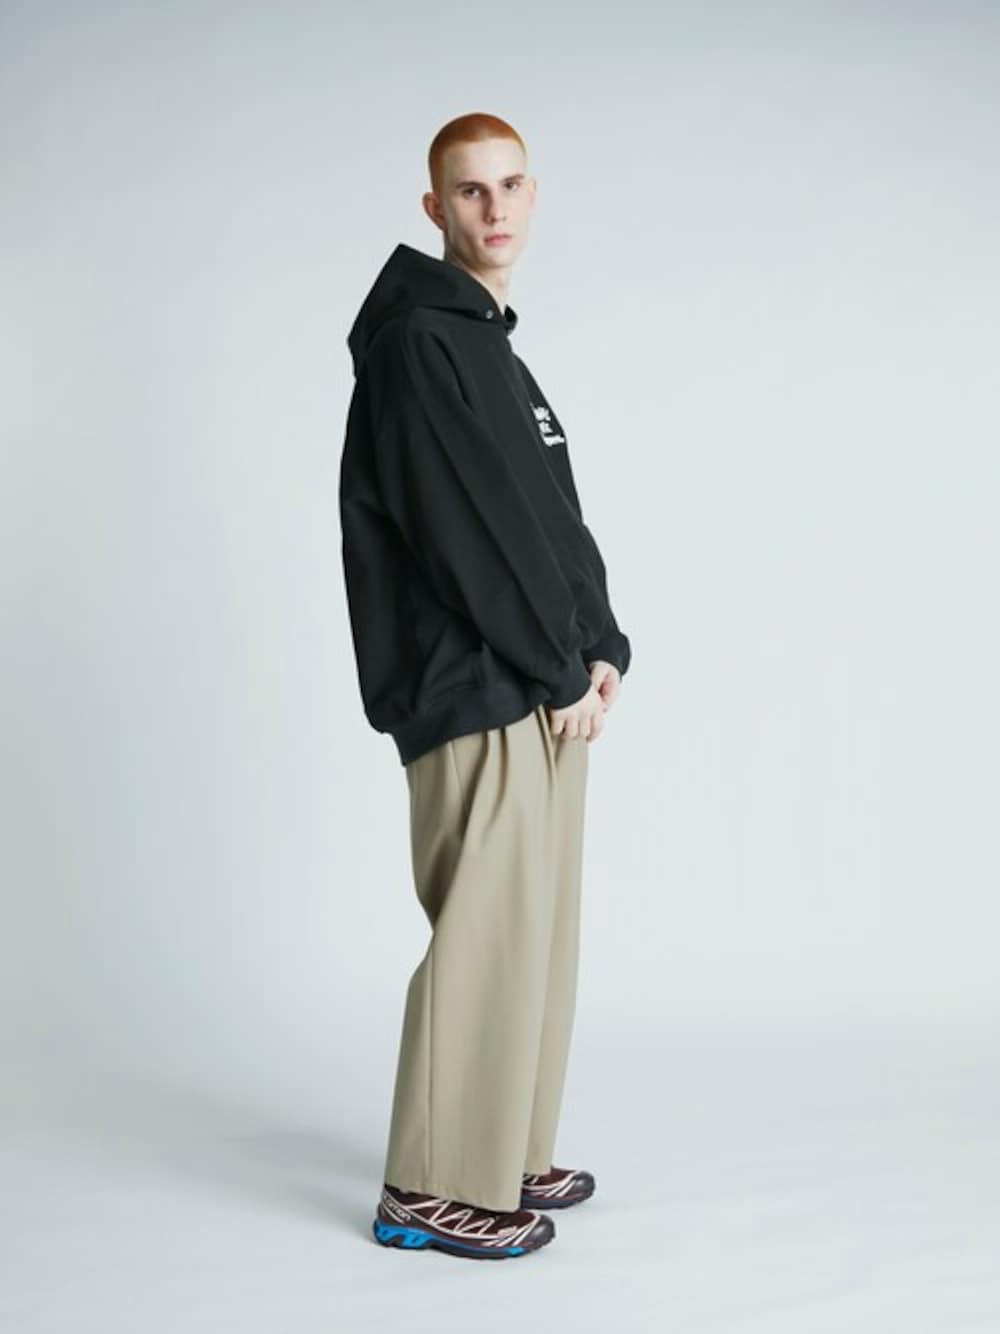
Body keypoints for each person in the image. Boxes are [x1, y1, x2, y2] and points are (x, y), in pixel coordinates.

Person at [339, 112, 632, 1260]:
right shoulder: (421, 344)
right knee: (483, 936)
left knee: (535, 934)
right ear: (435, 208)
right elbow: (467, 536)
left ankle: (504, 1150)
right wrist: (557, 667)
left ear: (533, 194)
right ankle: (427, 1183)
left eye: (510, 185)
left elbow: (551, 517)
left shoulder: (491, 348)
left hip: (540, 682)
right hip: (475, 687)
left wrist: (602, 645)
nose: (494, 208)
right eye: (470, 191)